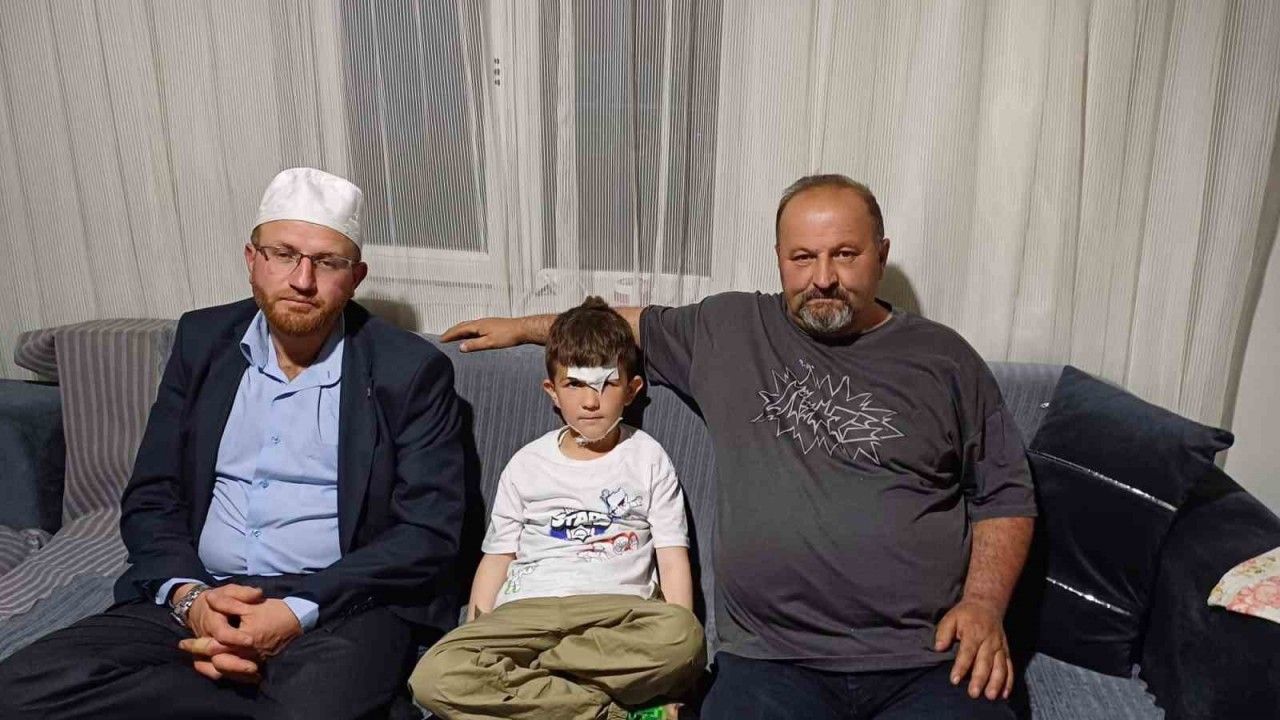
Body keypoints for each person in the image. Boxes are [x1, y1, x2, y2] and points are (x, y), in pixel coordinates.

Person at [439, 174, 1036, 719]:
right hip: (772, 660)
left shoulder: (943, 358)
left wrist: (984, 605)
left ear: (880, 255)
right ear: (779, 259)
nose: (822, 277)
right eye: (803, 257)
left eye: (845, 254)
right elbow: (623, 326)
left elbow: (1006, 492)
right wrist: (522, 327)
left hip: (924, 657)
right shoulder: (731, 330)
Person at [0, 167, 466, 720]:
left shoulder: (408, 369)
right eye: (283, 254)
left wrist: (296, 611)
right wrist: (193, 601)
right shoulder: (202, 342)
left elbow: (428, 531)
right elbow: (152, 496)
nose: (302, 279)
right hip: (205, 592)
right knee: (18, 691)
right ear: (252, 259)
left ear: (355, 276)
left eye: (327, 262)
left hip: (340, 604)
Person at [411, 297, 705, 720]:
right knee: (433, 676)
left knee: (683, 639)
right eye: (575, 385)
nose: (591, 401)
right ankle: (611, 712)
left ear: (632, 389)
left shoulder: (648, 457)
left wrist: (679, 653)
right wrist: (477, 631)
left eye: (606, 384)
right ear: (552, 391)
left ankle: (534, 680)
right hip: (527, 611)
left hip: (616, 616)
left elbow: (672, 557)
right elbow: (497, 558)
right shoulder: (527, 463)